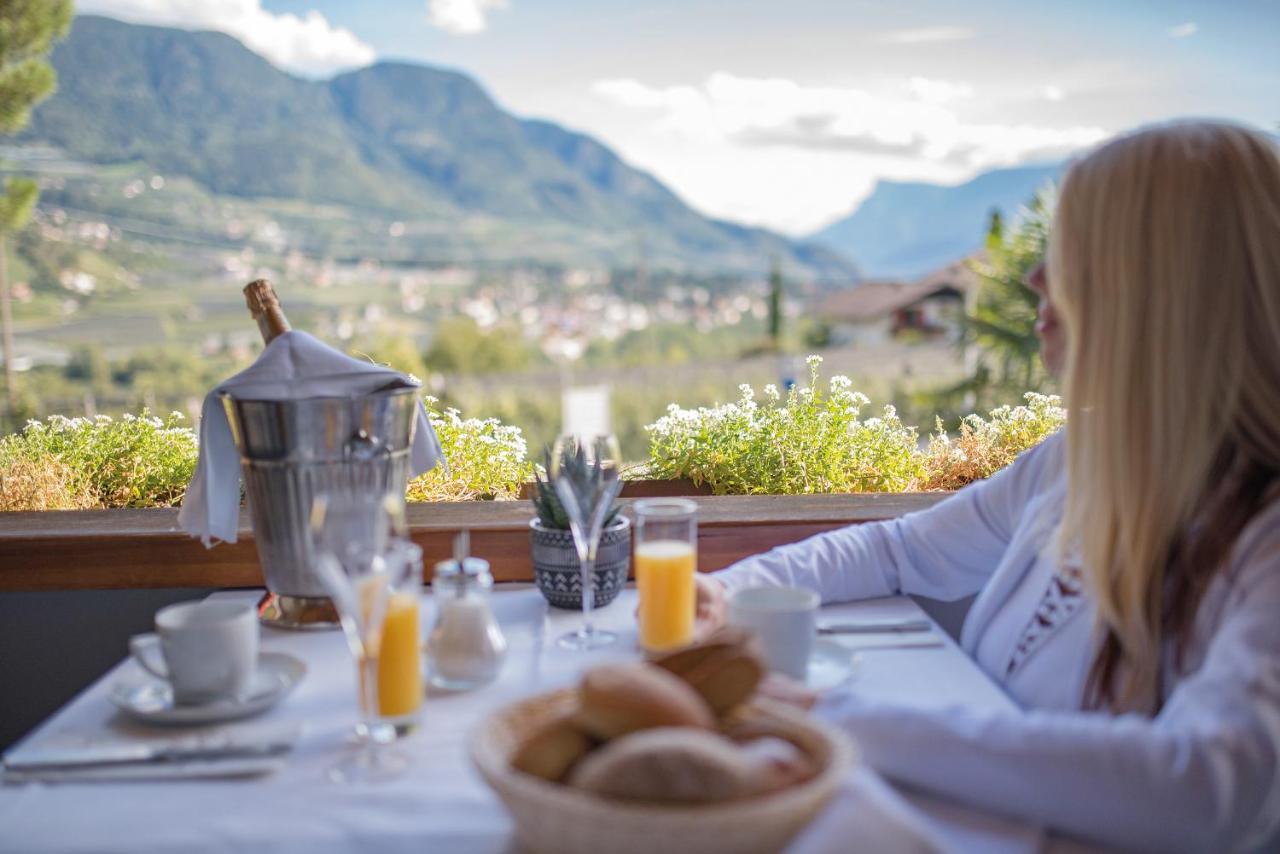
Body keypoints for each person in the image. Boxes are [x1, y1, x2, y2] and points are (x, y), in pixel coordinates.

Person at [696, 121, 1280, 852]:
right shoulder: (1078, 460)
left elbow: (1203, 788)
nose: (1038, 277)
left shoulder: (1264, 535)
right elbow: (900, 549)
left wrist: (833, 717)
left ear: (1161, 287)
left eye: (1071, 250)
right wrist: (732, 590)